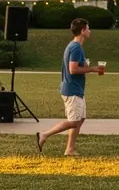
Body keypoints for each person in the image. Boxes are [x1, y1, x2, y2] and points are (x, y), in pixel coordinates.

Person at [37, 18, 103, 157]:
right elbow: (73, 69)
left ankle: (70, 149)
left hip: (76, 89)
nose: (90, 31)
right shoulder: (76, 47)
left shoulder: (76, 47)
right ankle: (44, 135)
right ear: (83, 31)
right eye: (88, 28)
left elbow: (79, 65)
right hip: (72, 89)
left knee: (81, 119)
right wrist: (92, 69)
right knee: (74, 121)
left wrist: (89, 66)